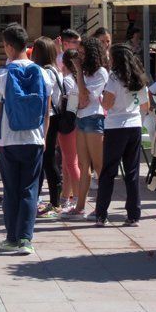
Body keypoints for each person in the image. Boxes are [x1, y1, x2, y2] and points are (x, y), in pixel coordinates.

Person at [0, 24, 51, 255]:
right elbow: (46, 111)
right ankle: (26, 239)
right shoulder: (43, 73)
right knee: (29, 189)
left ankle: (12, 238)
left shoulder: (2, 75)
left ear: (8, 46)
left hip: (9, 141)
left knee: (11, 190)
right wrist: (43, 138)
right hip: (34, 140)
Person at [95, 44, 150, 227]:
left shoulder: (114, 78)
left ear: (116, 59)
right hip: (134, 126)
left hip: (115, 126)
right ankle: (134, 214)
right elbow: (146, 106)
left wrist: (101, 99)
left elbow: (108, 105)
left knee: (109, 171)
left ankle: (101, 214)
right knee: (132, 172)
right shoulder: (140, 78)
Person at [61, 37, 108, 220]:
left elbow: (85, 96)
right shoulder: (86, 72)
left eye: (82, 53)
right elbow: (79, 97)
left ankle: (100, 207)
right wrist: (80, 72)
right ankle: (80, 206)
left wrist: (78, 70)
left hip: (93, 119)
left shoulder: (100, 72)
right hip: (81, 118)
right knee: (83, 164)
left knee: (99, 166)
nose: (79, 56)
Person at [31, 36, 63, 218]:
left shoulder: (46, 72)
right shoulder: (54, 69)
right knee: (47, 159)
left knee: (48, 160)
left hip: (48, 118)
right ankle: (49, 200)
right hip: (53, 117)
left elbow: (45, 98)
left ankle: (55, 202)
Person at [58, 48, 81, 211]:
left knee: (71, 163)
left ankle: (79, 199)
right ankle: (65, 197)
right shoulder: (80, 79)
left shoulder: (66, 80)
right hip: (77, 122)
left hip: (67, 122)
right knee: (68, 163)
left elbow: (63, 104)